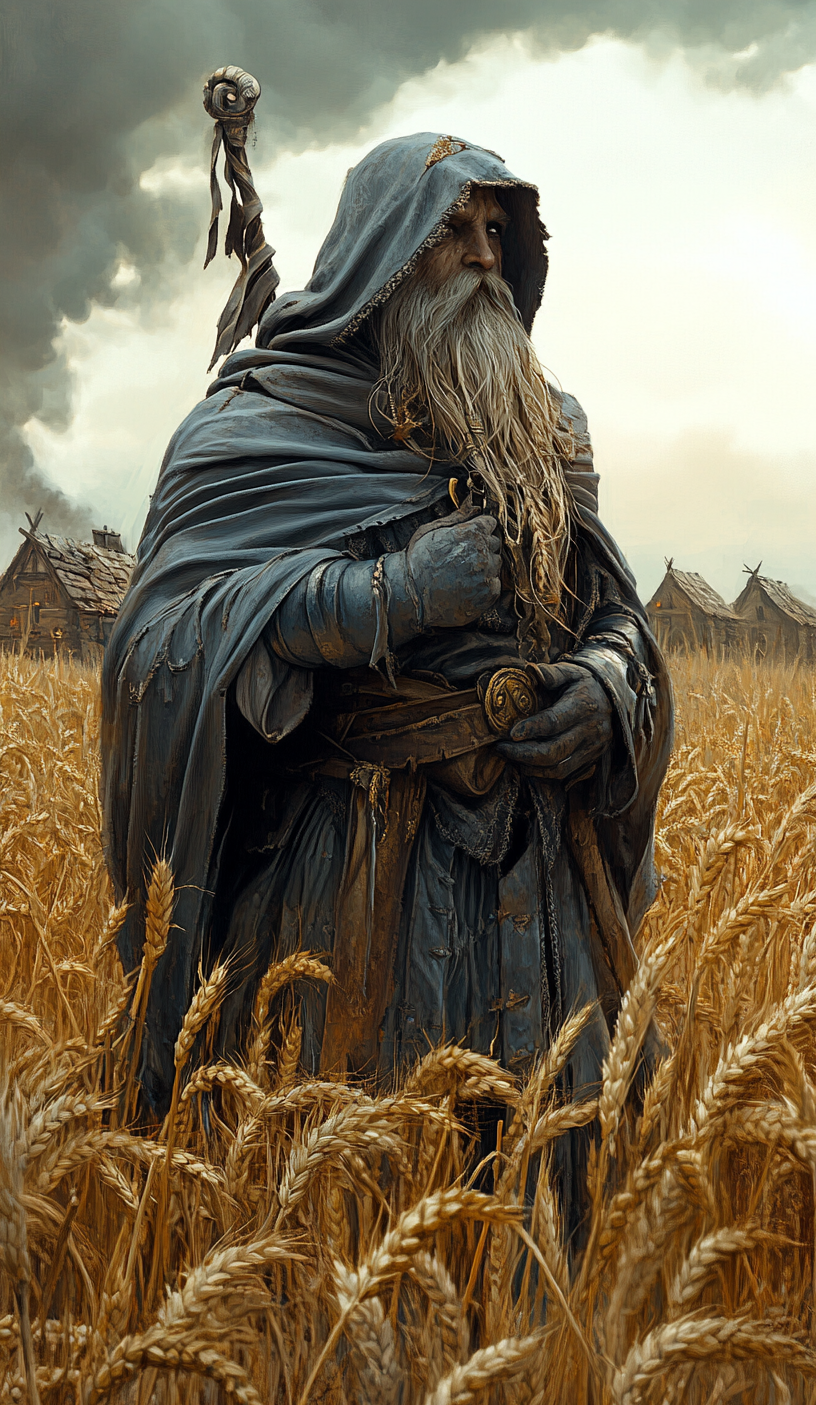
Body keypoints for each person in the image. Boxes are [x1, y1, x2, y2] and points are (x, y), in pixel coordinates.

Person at [101, 133, 673, 1138]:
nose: (487, 255)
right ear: (380, 252)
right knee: (347, 1200)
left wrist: (609, 679)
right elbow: (163, 641)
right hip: (348, 876)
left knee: (556, 1221)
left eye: (497, 230)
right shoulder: (259, 424)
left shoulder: (547, 425)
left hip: (547, 892)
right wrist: (384, 595)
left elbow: (606, 602)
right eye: (454, 229)